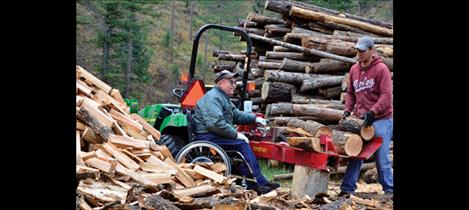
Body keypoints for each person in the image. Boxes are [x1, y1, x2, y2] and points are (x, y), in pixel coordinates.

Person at [193, 70, 279, 194]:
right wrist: (235, 134)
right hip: (208, 136)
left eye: (235, 82)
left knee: (243, 145)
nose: (234, 85)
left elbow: (237, 115)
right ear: (221, 83)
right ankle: (258, 183)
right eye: (231, 82)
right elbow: (215, 124)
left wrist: (255, 118)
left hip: (214, 134)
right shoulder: (213, 97)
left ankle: (255, 182)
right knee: (241, 144)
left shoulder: (223, 97)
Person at [339, 37, 393, 198]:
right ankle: (347, 188)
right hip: (361, 120)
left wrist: (373, 112)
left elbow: (386, 95)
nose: (360, 54)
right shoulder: (354, 69)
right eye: (358, 50)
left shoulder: (381, 69)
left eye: (363, 51)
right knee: (356, 153)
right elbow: (350, 93)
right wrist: (347, 111)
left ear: (371, 50)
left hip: (382, 118)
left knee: (381, 157)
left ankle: (390, 190)